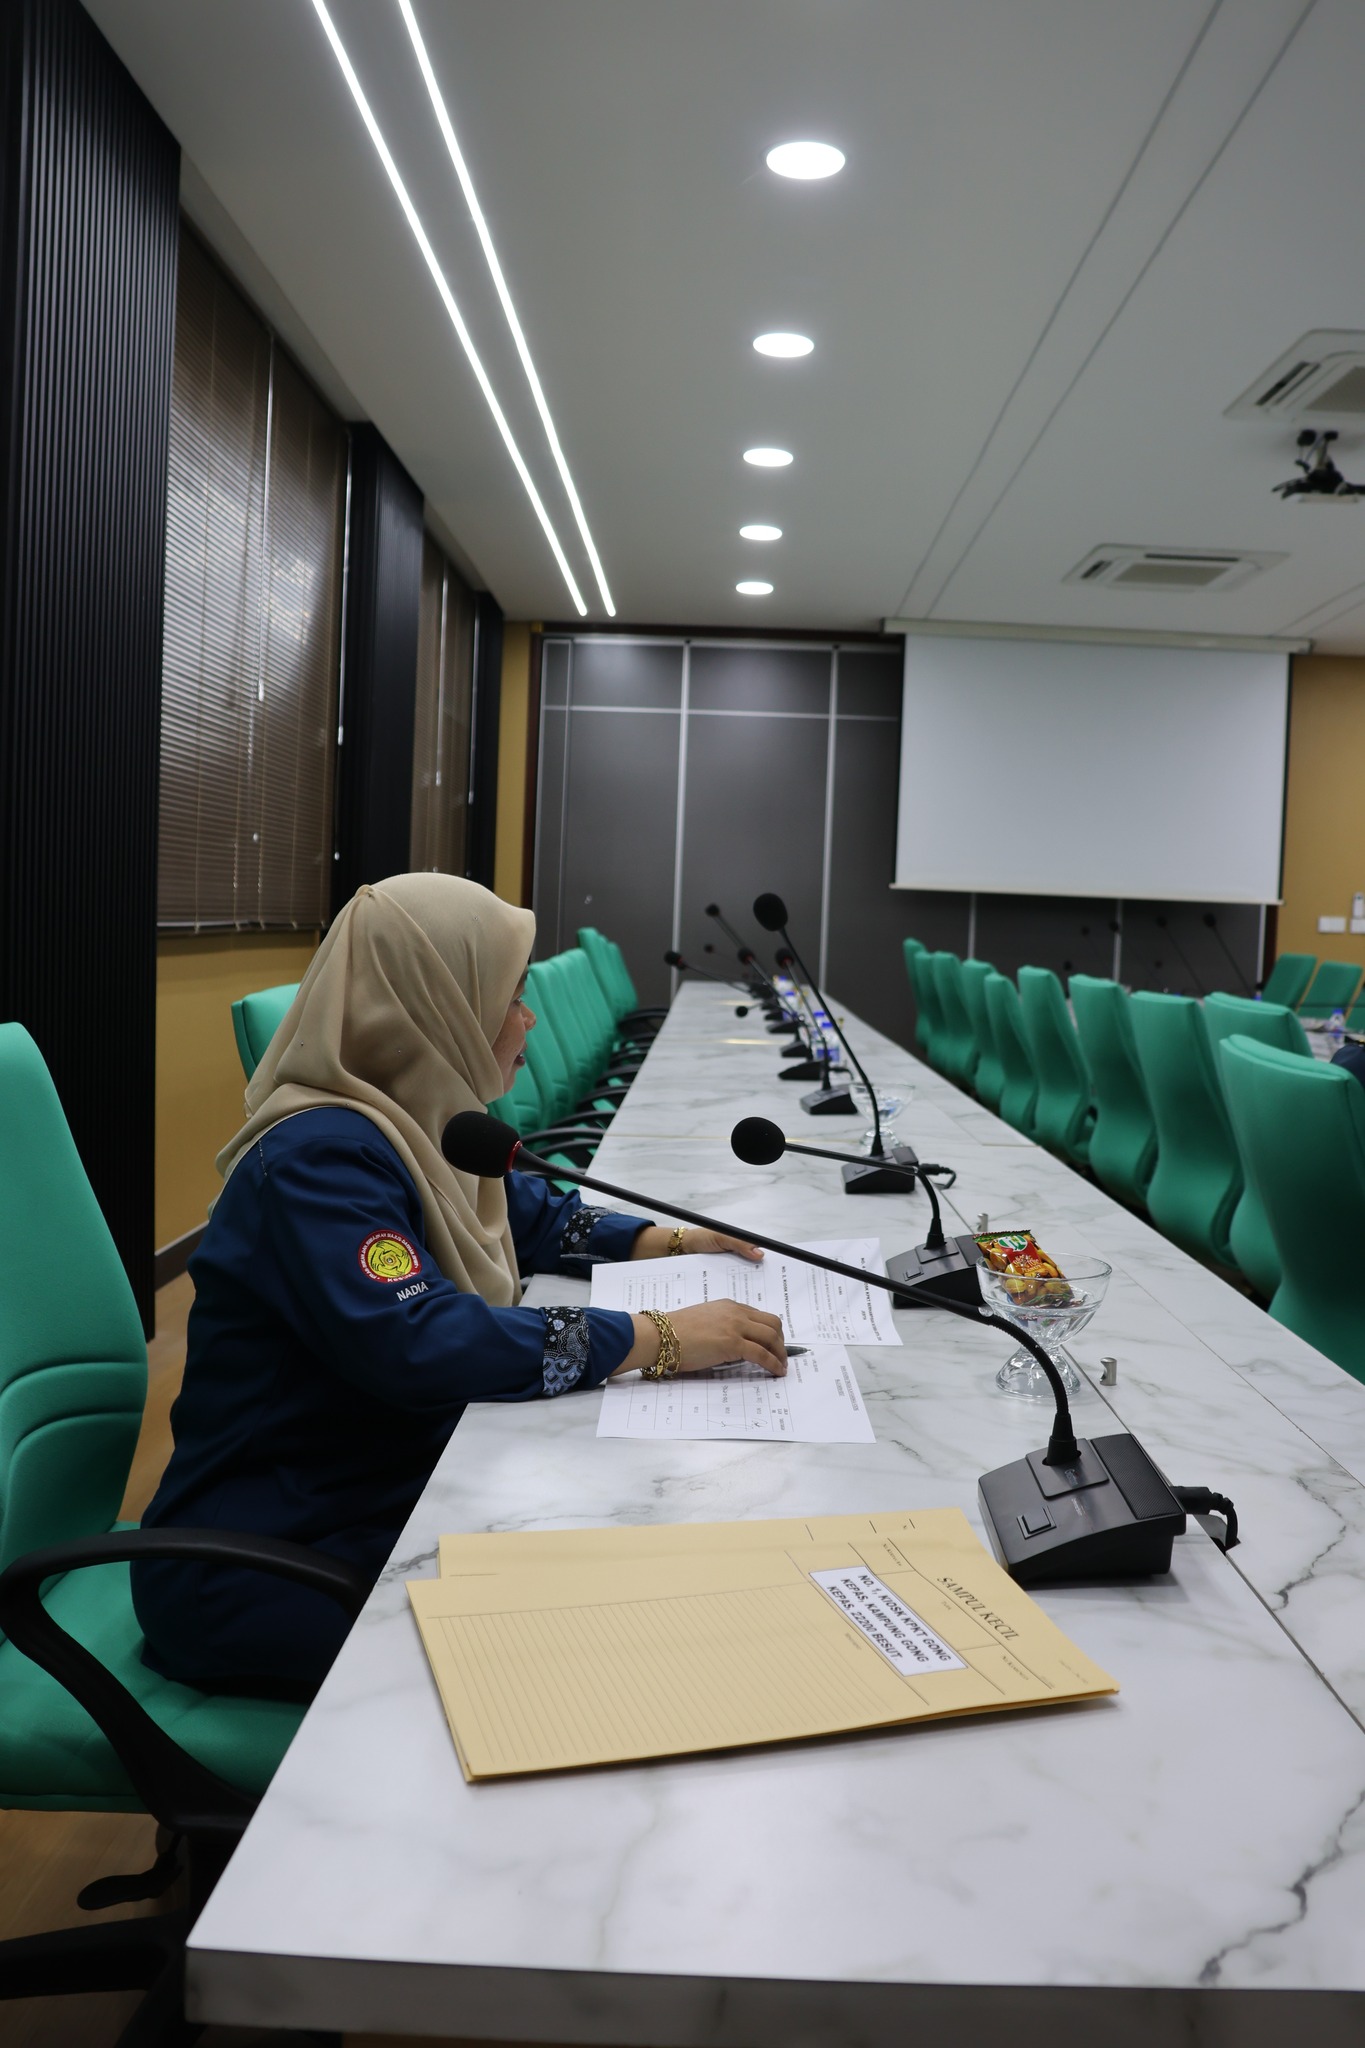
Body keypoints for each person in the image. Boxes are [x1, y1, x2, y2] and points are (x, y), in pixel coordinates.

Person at [133, 875, 785, 1694]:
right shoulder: (316, 1160)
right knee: (591, 1652)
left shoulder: (411, 1115)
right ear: (438, 1007)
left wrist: (675, 1238)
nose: (528, 1018)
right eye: (511, 997)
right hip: (269, 1556)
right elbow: (422, 1340)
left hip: (378, 1484)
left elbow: (530, 1216)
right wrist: (657, 1339)